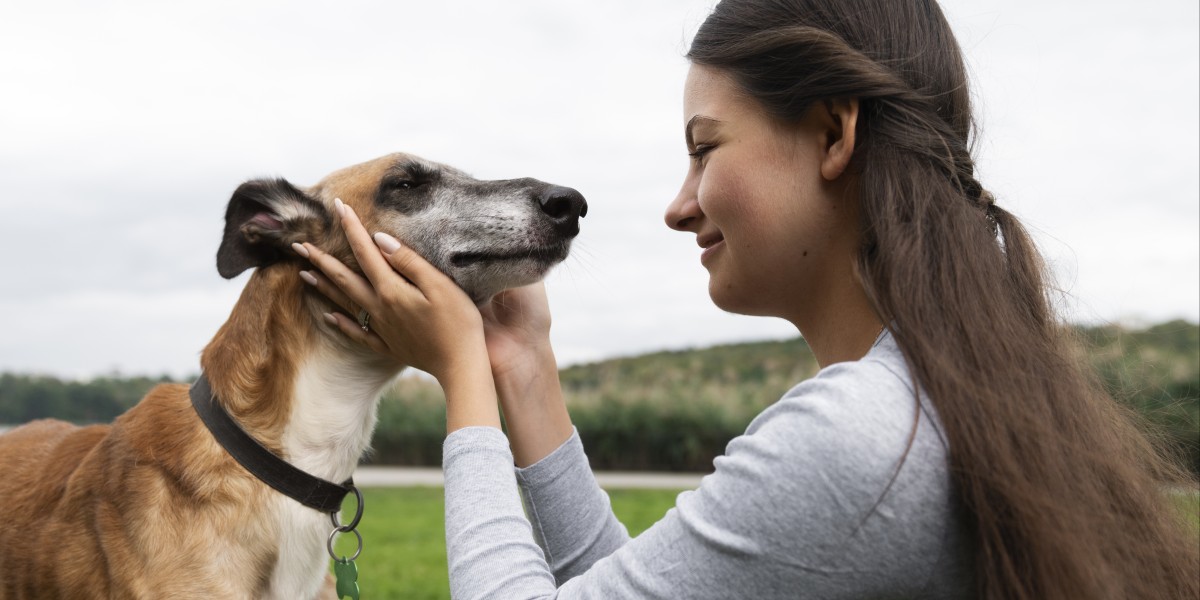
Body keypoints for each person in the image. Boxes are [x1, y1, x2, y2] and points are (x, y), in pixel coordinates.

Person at [297, 0, 1200, 597]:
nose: (678, 204)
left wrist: (462, 377)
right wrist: (520, 364)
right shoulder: (940, 395)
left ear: (834, 134)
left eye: (705, 149)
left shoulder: (858, 440)